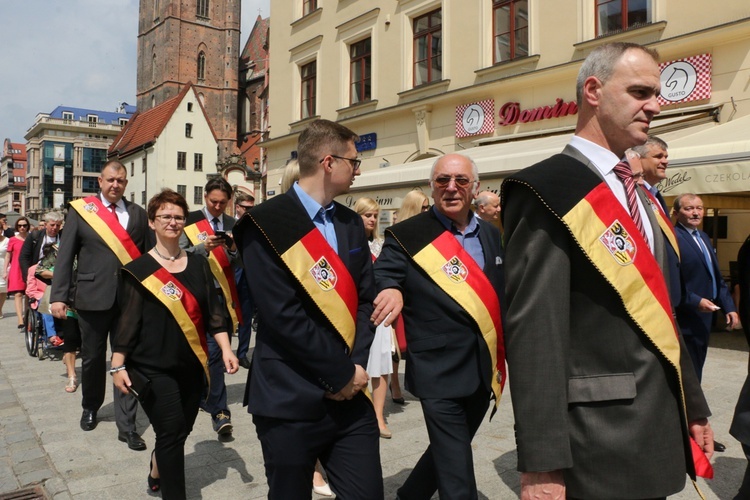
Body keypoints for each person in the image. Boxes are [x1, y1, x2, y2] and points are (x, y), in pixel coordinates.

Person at [501, 42, 714, 498]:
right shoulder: (547, 190)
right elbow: (536, 333)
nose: (655, 106)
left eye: (656, 94)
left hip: (657, 428)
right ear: (593, 90)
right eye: (640, 92)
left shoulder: (640, 193)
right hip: (596, 441)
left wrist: (692, 407)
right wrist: (541, 465)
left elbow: (662, 312)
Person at [238, 118, 382, 499]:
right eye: (355, 161)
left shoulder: (351, 223)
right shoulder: (266, 223)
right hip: (290, 397)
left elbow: (365, 299)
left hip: (351, 396)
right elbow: (281, 315)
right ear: (329, 162)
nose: (358, 169)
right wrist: (338, 374)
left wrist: (357, 368)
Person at [373, 153, 505, 499]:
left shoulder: (491, 236)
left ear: (474, 187)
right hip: (438, 368)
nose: (451, 188)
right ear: (432, 188)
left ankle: (410, 495)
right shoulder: (407, 235)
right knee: (457, 468)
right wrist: (389, 287)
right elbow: (384, 273)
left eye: (460, 180)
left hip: (482, 366)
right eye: (442, 180)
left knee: (452, 447)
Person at [112, 189, 238, 498]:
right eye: (165, 216)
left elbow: (215, 314)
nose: (173, 221)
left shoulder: (198, 265)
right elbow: (126, 323)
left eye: (178, 216)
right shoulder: (140, 270)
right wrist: (117, 365)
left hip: (192, 367)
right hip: (154, 369)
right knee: (170, 432)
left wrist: (225, 348)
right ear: (152, 223)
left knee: (179, 432)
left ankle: (157, 466)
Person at [50, 160, 151, 450]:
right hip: (92, 299)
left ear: (126, 183)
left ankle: (128, 425)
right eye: (110, 180)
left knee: (128, 360)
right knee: (93, 359)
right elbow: (65, 256)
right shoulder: (82, 212)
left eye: (120, 180)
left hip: (129, 301)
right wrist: (58, 295)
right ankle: (91, 406)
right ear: (100, 180)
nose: (115, 185)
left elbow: (145, 259)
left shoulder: (138, 215)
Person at [180, 177, 241, 438]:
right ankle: (201, 397)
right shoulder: (190, 221)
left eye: (222, 203)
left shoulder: (233, 224)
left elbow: (240, 262)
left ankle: (220, 411)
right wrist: (202, 248)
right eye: (213, 202)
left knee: (217, 352)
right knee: (198, 352)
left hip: (222, 297)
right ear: (205, 197)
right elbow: (178, 255)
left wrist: (233, 247)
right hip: (194, 295)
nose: (217, 207)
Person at [674, 193, 738, 380]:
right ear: (677, 213)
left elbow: (715, 277)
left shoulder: (703, 236)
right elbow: (672, 281)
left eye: (699, 208)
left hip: (705, 318)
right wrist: (695, 301)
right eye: (689, 208)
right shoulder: (673, 238)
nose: (695, 213)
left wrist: (729, 307)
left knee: (697, 368)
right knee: (689, 373)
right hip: (686, 317)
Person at [354, 196, 394, 439]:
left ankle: (379, 416)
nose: (371, 219)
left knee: (382, 363)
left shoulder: (381, 245)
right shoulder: (348, 242)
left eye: (375, 215)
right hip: (357, 312)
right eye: (367, 214)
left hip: (380, 311)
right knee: (360, 362)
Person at [388, 189, 430, 405]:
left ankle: (418, 381)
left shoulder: (431, 231)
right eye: (423, 206)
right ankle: (395, 383)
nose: (427, 210)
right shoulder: (397, 233)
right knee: (398, 345)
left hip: (423, 296)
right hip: (401, 295)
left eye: (428, 206)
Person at [233, 191, 255, 370]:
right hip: (229, 276)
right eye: (246, 208)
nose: (249, 211)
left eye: (252, 208)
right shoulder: (228, 224)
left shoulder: (253, 226)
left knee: (245, 318)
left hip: (247, 277)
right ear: (237, 207)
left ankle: (242, 354)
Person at [20, 211, 63, 282]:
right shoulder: (34, 236)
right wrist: (28, 276)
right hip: (38, 277)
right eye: (52, 225)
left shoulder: (64, 237)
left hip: (58, 276)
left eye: (58, 225)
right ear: (45, 225)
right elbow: (24, 257)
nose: (55, 228)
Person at [6, 217, 30, 328]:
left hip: (28, 269)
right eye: (20, 226)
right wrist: (4, 270)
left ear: (27, 226)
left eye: (24, 225)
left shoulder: (31, 238)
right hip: (16, 269)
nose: (22, 228)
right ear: (17, 227)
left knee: (28, 294)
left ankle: (26, 316)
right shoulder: (12, 240)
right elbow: (8, 255)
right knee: (18, 294)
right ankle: (20, 319)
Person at [0, 226, 8, 317]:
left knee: (2, 290)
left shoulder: (7, 240)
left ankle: (0, 308)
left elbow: (9, 255)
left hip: (3, 267)